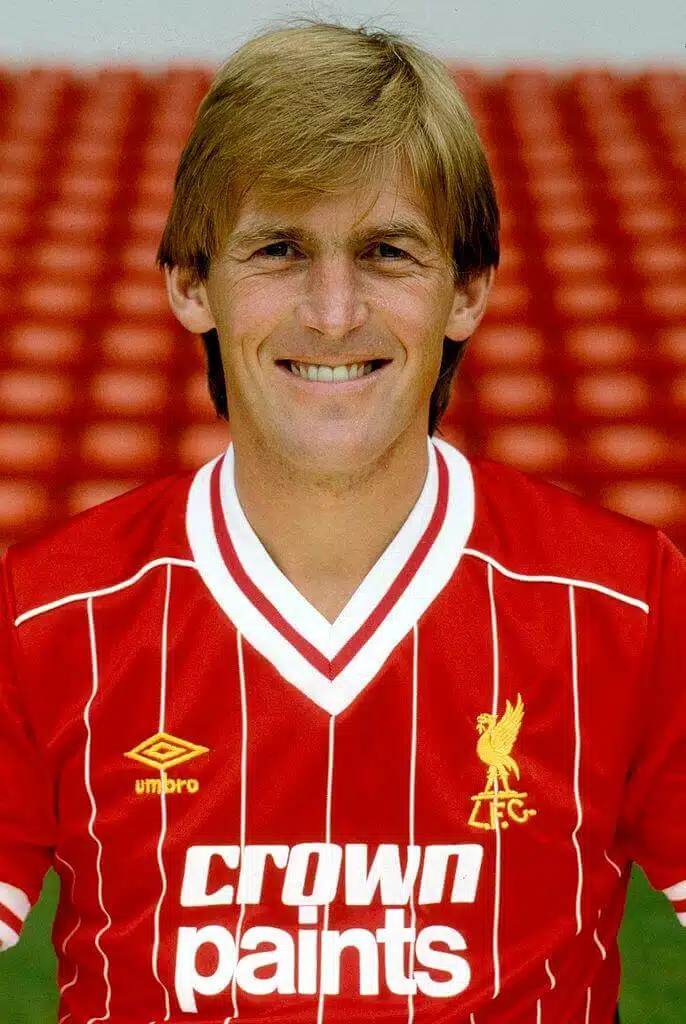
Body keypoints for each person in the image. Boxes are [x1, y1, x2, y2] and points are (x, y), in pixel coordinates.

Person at [0, 18, 683, 1024]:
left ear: (468, 290)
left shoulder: (628, 602)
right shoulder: (45, 612)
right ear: (191, 283)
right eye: (279, 249)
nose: (332, 312)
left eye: (386, 252)